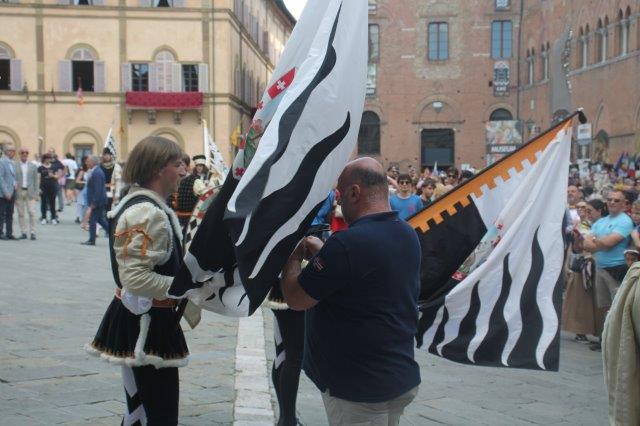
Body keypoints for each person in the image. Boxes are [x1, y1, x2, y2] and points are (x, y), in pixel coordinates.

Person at [281, 157, 421, 425]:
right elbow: (364, 276)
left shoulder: (347, 243)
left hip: (357, 385)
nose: (338, 202)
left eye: (340, 194)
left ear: (355, 192)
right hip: (398, 375)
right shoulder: (407, 233)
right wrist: (326, 255)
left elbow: (296, 298)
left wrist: (293, 257)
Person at [85, 136, 187, 425]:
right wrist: (185, 287)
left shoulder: (146, 206)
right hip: (146, 324)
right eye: (177, 164)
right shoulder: (146, 212)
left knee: (140, 412)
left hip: (145, 320)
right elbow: (135, 278)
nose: (183, 171)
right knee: (157, 415)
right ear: (157, 169)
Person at [583, 189, 634, 351]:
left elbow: (609, 243)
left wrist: (595, 241)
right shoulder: (602, 221)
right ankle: (604, 339)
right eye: (610, 199)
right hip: (601, 267)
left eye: (616, 200)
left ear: (625, 204)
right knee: (604, 306)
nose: (612, 202)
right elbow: (586, 243)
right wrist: (598, 242)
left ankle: (616, 343)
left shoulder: (625, 221)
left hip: (616, 269)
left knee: (617, 307)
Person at [561, 201, 597, 342]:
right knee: (579, 299)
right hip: (580, 262)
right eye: (579, 208)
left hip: (593, 261)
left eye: (586, 208)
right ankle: (580, 331)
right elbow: (575, 247)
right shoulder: (577, 225)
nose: (582, 210)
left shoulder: (597, 225)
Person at [81, 155, 109, 246]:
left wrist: (94, 203)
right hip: (98, 200)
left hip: (97, 201)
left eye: (88, 161)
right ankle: (114, 233)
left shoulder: (97, 173)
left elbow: (98, 189)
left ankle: (92, 240)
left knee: (93, 220)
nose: (86, 163)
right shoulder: (96, 171)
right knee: (100, 219)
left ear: (92, 162)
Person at [14, 147, 39, 240]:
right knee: (21, 213)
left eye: (26, 152)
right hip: (19, 192)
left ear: (28, 154)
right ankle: (23, 232)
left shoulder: (33, 166)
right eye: (22, 152)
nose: (24, 154)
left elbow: (36, 180)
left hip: (30, 192)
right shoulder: (15, 165)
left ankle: (33, 232)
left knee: (32, 212)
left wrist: (36, 193)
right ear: (19, 154)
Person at [175, 154, 199, 230]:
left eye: (182, 164)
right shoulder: (172, 180)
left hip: (189, 223)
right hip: (174, 221)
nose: (180, 167)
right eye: (177, 165)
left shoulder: (195, 181)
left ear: (187, 166)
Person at [0, 143, 17, 240]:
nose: (13, 152)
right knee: (1, 214)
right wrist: (6, 192)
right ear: (6, 151)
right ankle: (0, 233)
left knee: (10, 213)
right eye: (11, 150)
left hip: (12, 192)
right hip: (3, 193)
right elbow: (1, 178)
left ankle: (9, 233)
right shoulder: (1, 162)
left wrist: (16, 184)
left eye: (14, 151)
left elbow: (13, 177)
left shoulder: (13, 163)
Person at [38, 153, 61, 224]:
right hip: (43, 187)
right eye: (47, 158)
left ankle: (53, 218)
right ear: (44, 159)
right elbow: (38, 178)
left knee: (52, 203)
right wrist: (38, 188)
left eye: (49, 158)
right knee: (43, 203)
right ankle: (44, 218)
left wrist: (53, 176)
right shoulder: (40, 168)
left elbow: (57, 176)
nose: (48, 160)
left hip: (52, 186)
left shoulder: (54, 167)